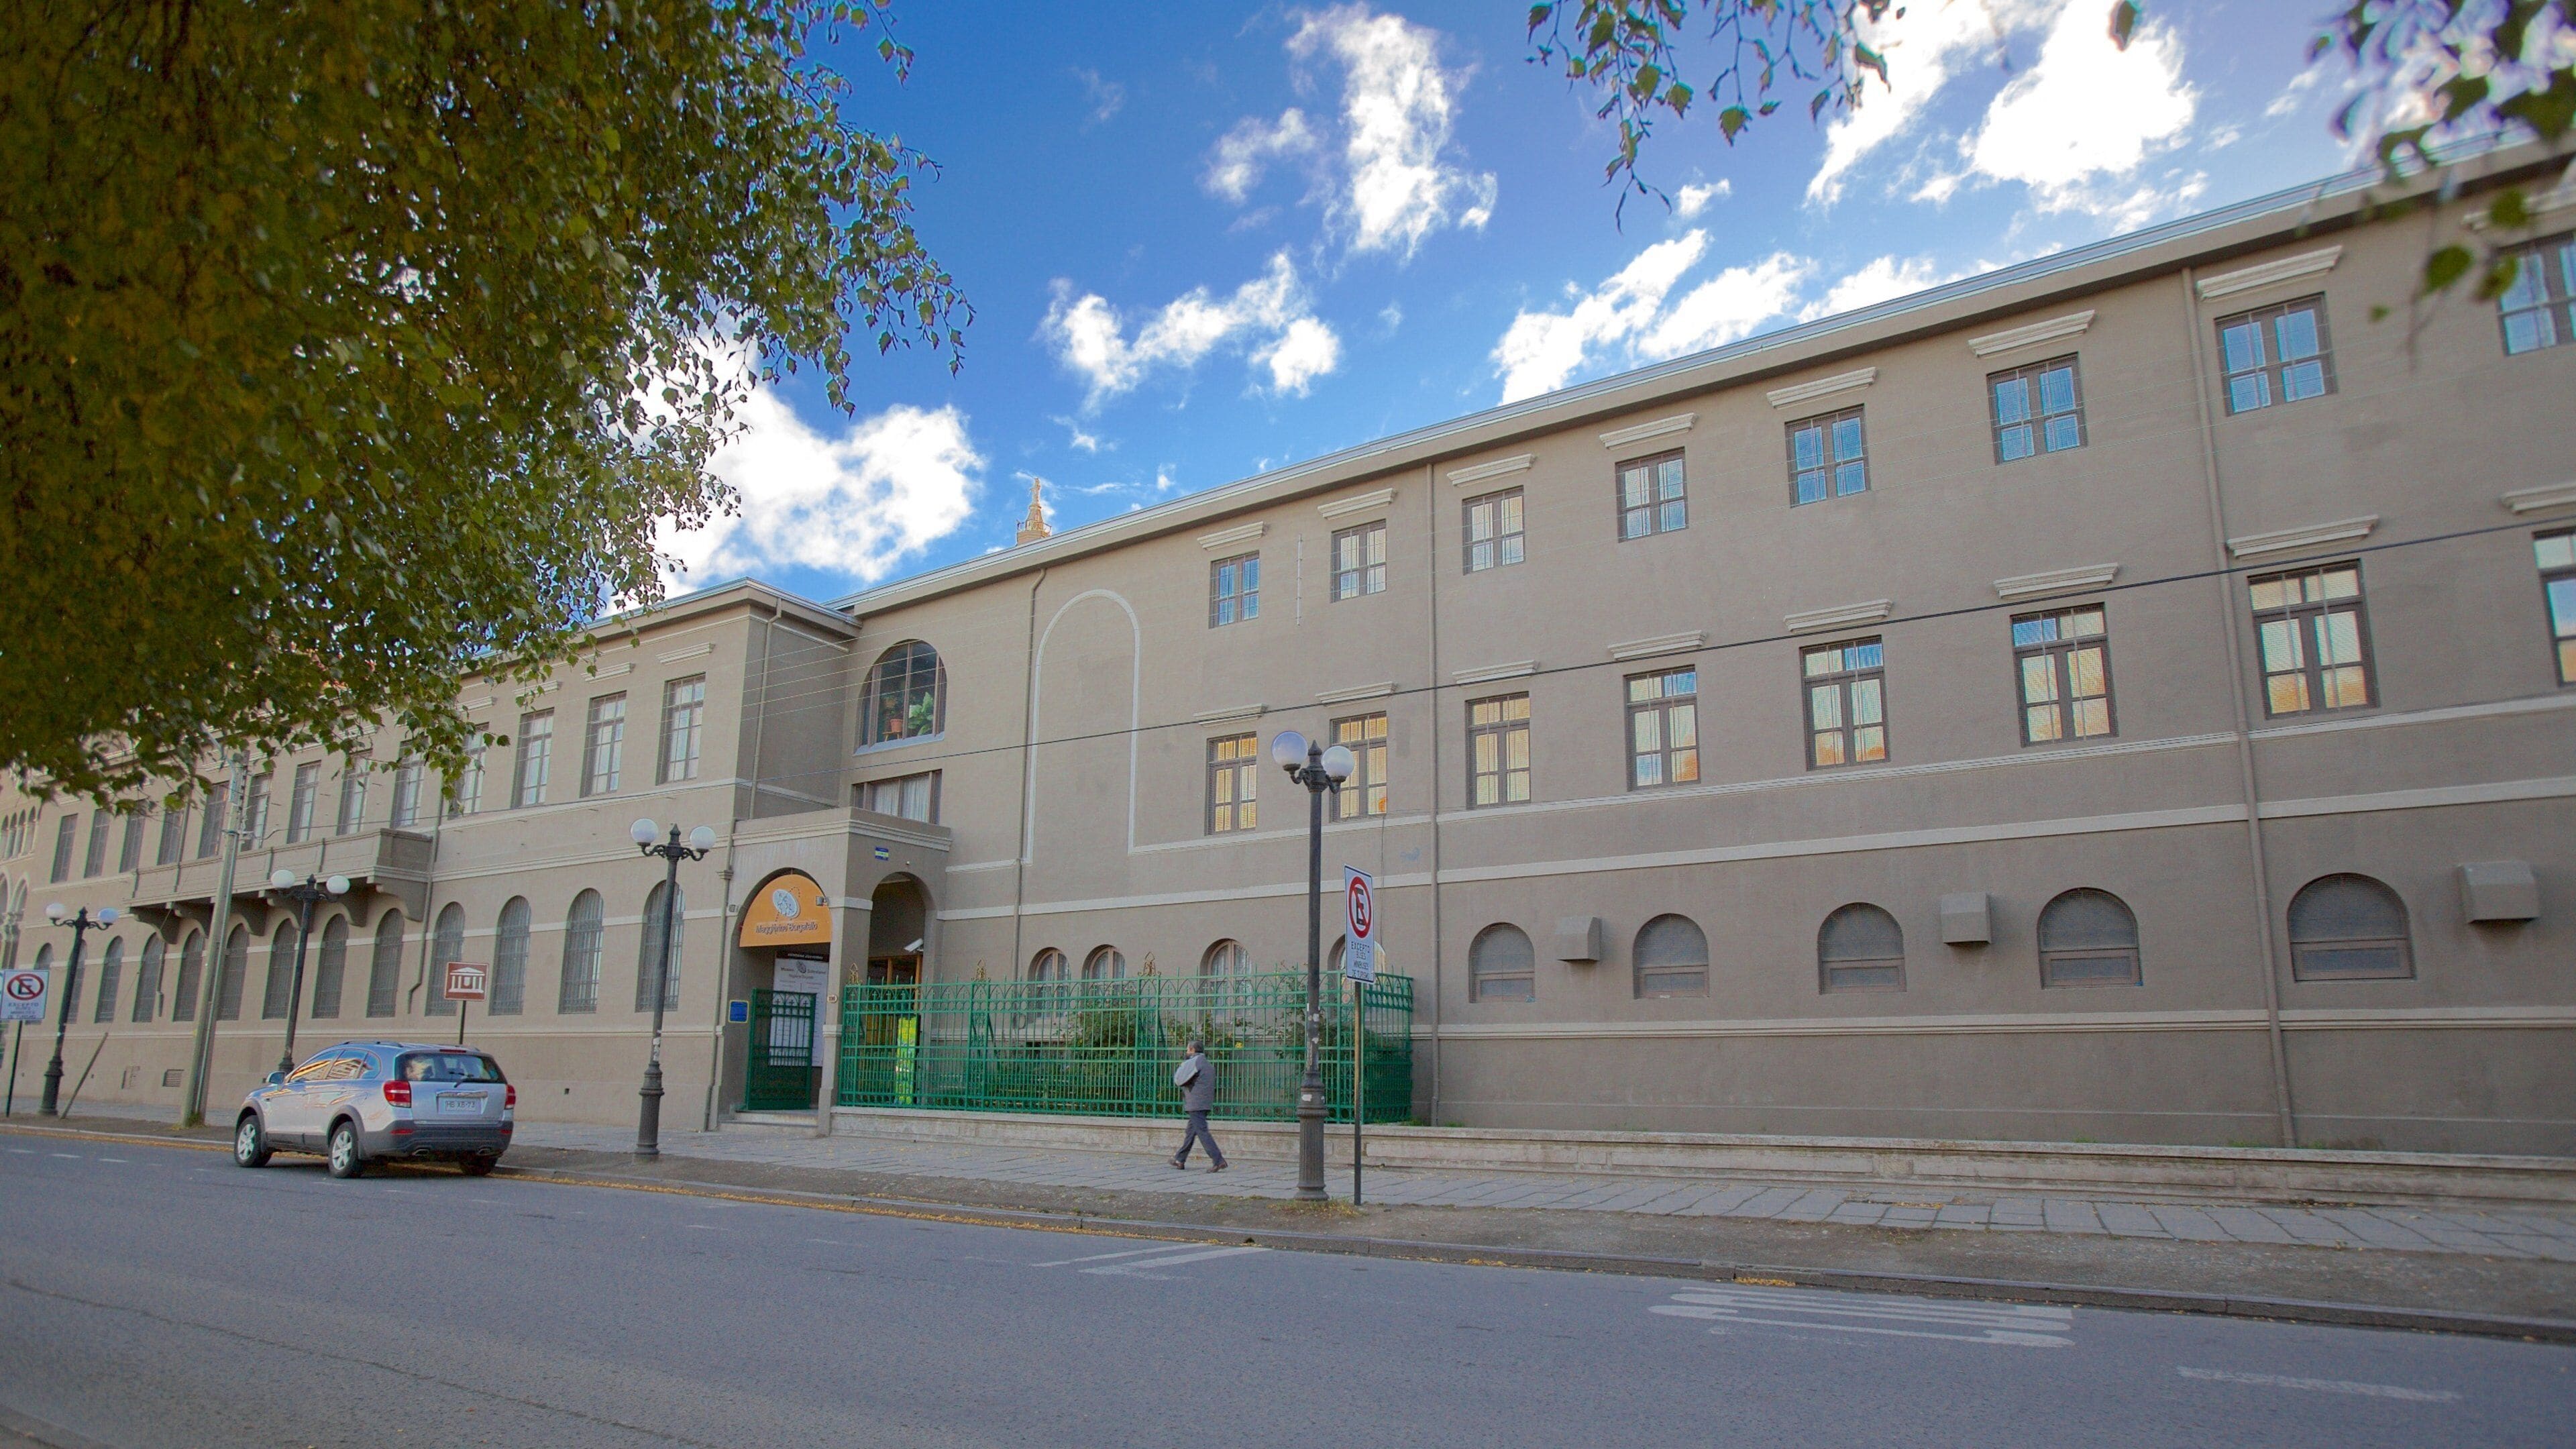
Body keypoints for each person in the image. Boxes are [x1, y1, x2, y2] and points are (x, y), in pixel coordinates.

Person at [1170, 1040, 1225, 1172]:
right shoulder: (1207, 1064)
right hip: (1205, 1103)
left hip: (1195, 1103)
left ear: (1193, 1050)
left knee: (1202, 1132)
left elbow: (1178, 1080)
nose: (1186, 1052)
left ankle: (1218, 1160)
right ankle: (1180, 1160)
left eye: (1188, 1050)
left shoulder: (1194, 1062)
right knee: (1191, 1132)